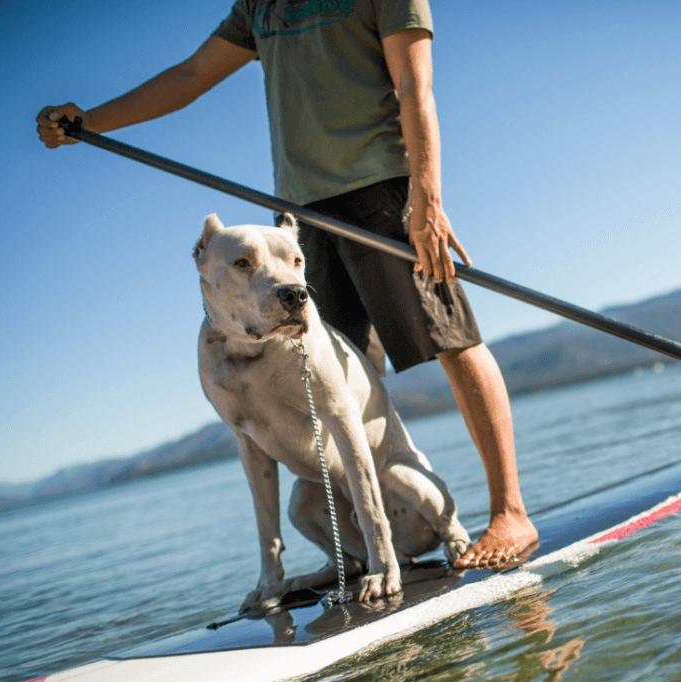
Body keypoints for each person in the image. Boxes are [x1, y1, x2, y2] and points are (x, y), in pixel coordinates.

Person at [36, 0, 536, 569]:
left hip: (383, 190)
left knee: (450, 338)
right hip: (298, 215)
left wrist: (427, 198)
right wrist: (90, 122)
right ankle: (355, 546)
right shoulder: (259, 5)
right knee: (329, 384)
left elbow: (414, 85)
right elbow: (191, 76)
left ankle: (510, 511)